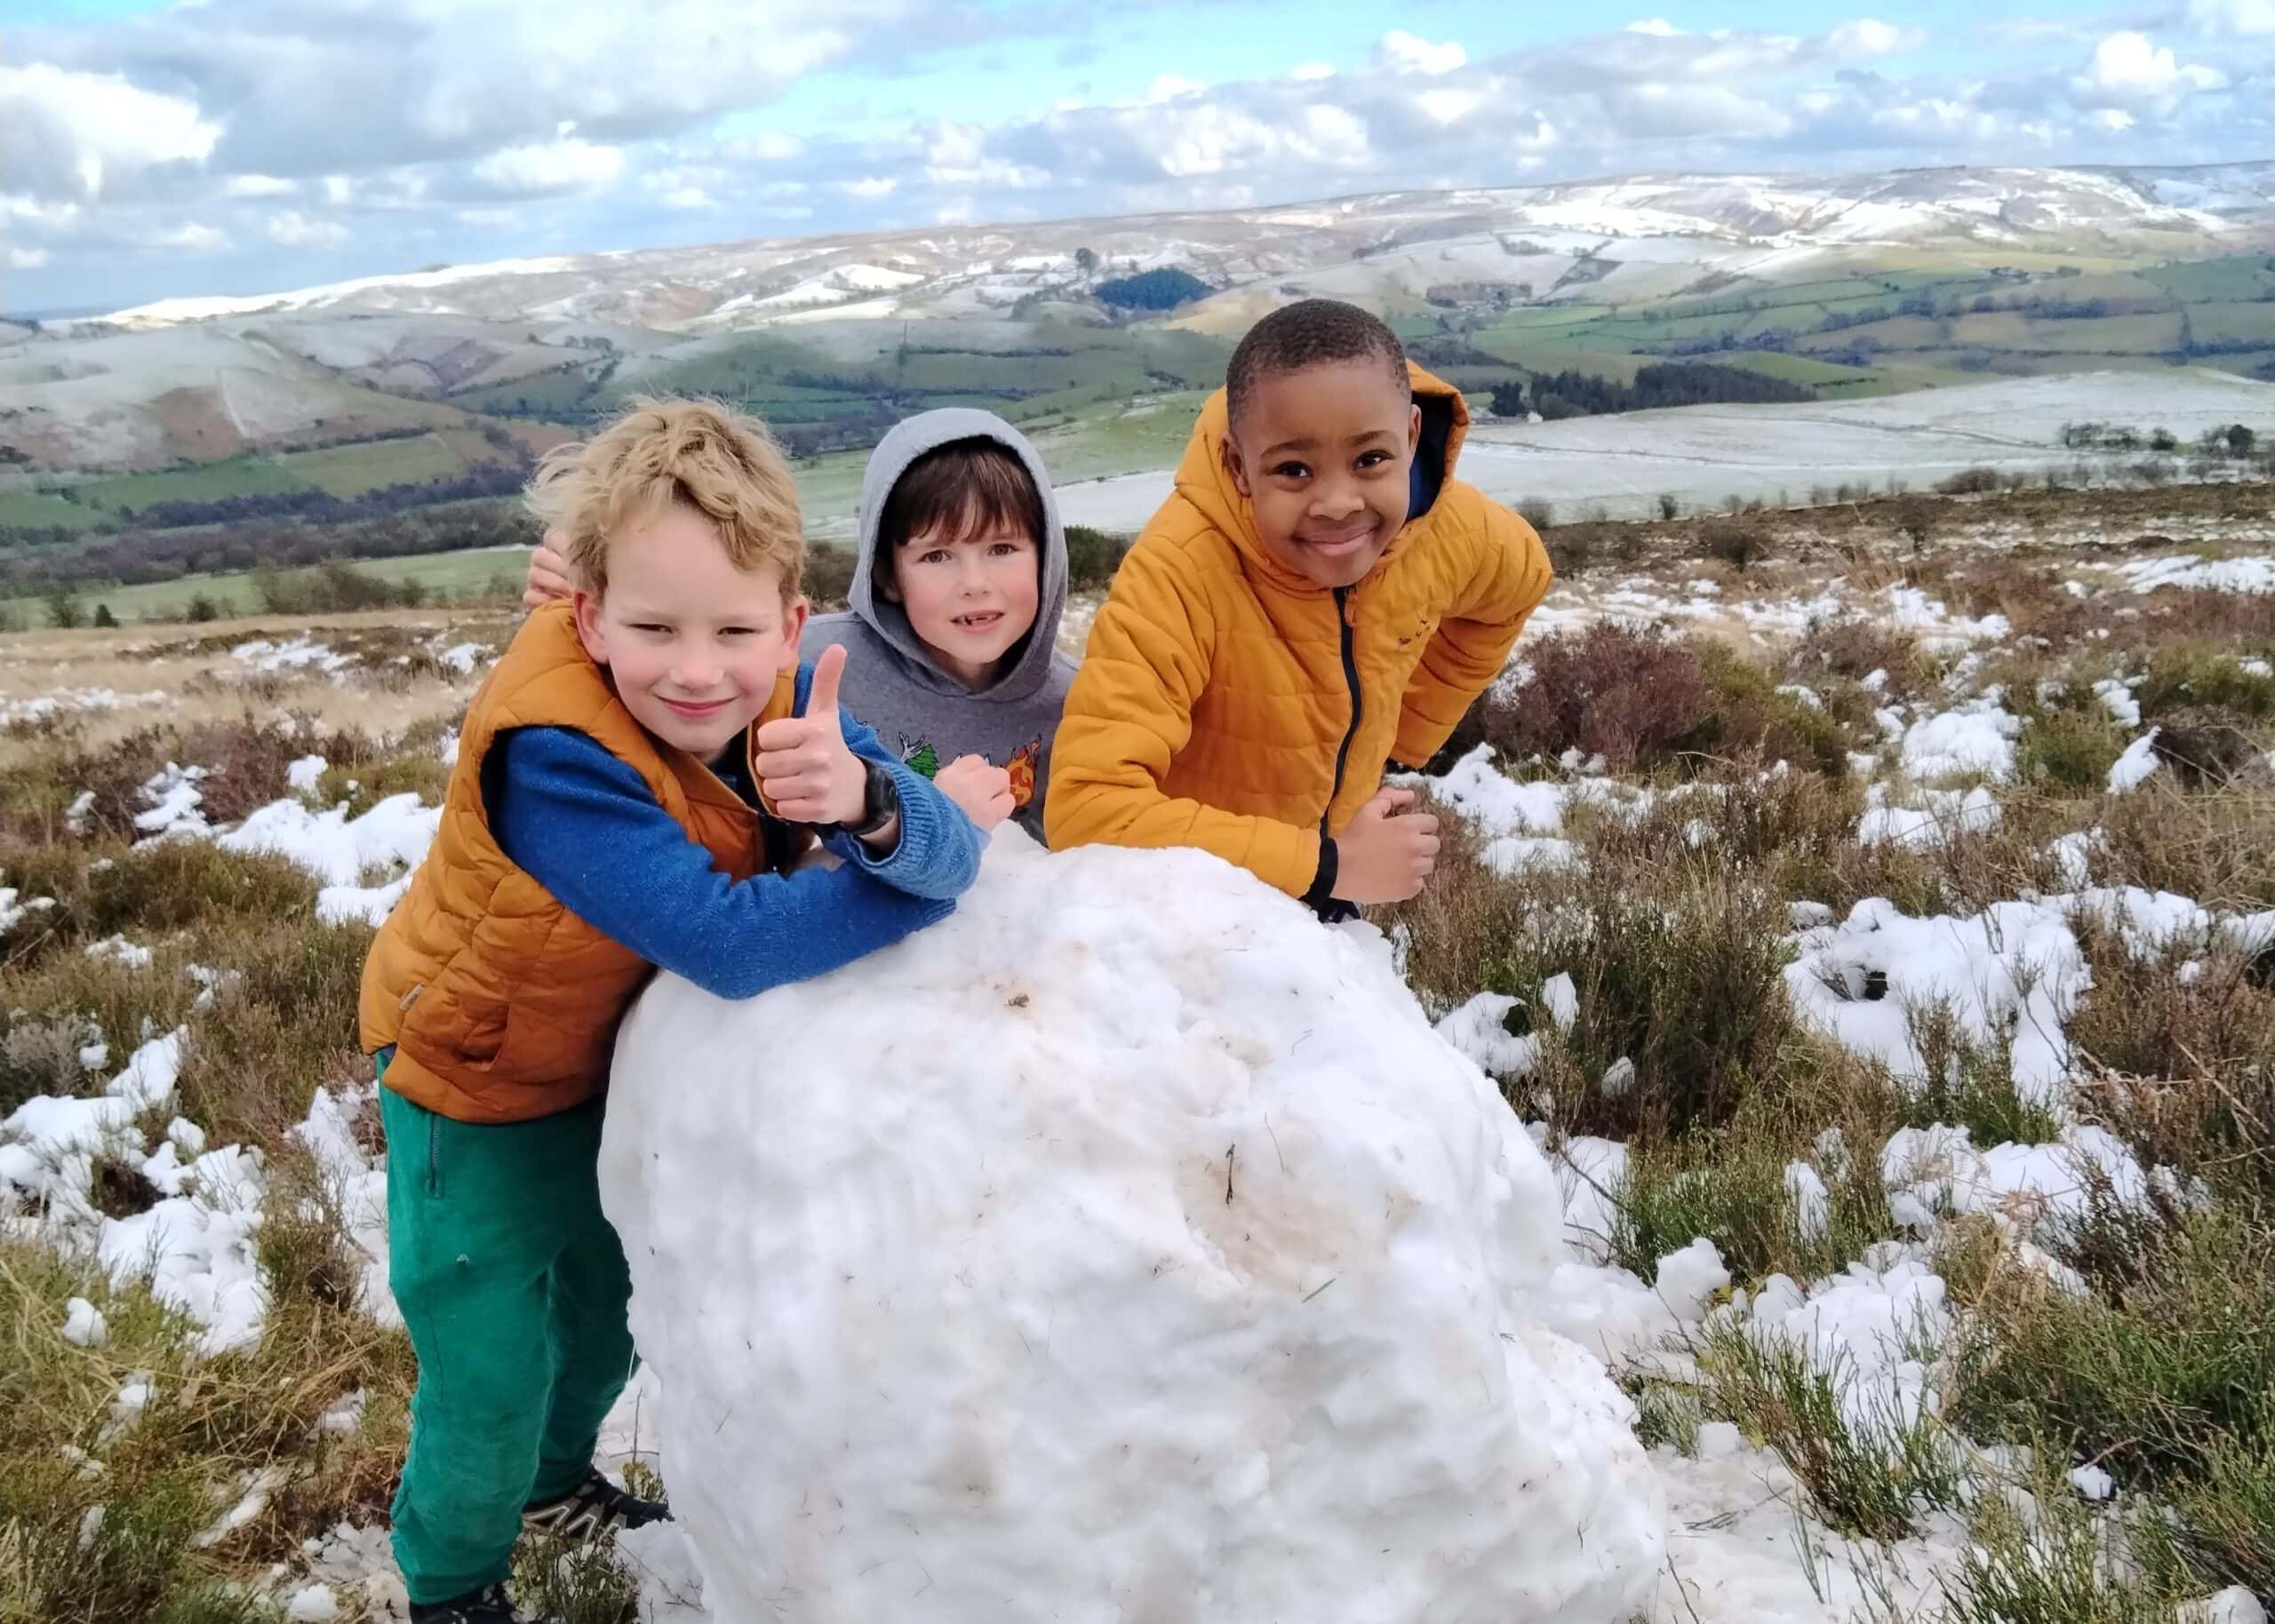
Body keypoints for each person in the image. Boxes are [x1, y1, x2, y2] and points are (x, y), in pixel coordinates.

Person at [365, 398, 1000, 1624]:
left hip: (604, 1071)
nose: (698, 669)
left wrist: (874, 800)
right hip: (474, 1083)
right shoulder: (553, 752)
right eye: (653, 627)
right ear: (588, 616)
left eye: (734, 629)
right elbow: (726, 939)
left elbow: (938, 847)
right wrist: (917, 880)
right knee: (486, 1361)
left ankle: (555, 1486)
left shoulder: (780, 700)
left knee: (606, 1316)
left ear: (791, 622)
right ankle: (450, 1583)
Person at [1044, 299, 1553, 912]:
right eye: (1293, 469)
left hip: (1337, 874)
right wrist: (1327, 865)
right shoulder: (1179, 571)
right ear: (1237, 464)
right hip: (1192, 906)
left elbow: (1519, 586)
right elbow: (1087, 810)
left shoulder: (1454, 532)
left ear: (1412, 437)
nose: (1338, 503)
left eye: (1371, 459)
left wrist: (1402, 741)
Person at [529, 408, 1070, 834]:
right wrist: (574, 620)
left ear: (1047, 556)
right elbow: (675, 702)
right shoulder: (807, 663)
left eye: (1002, 549)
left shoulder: (1080, 703)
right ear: (885, 575)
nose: (974, 583)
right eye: (936, 556)